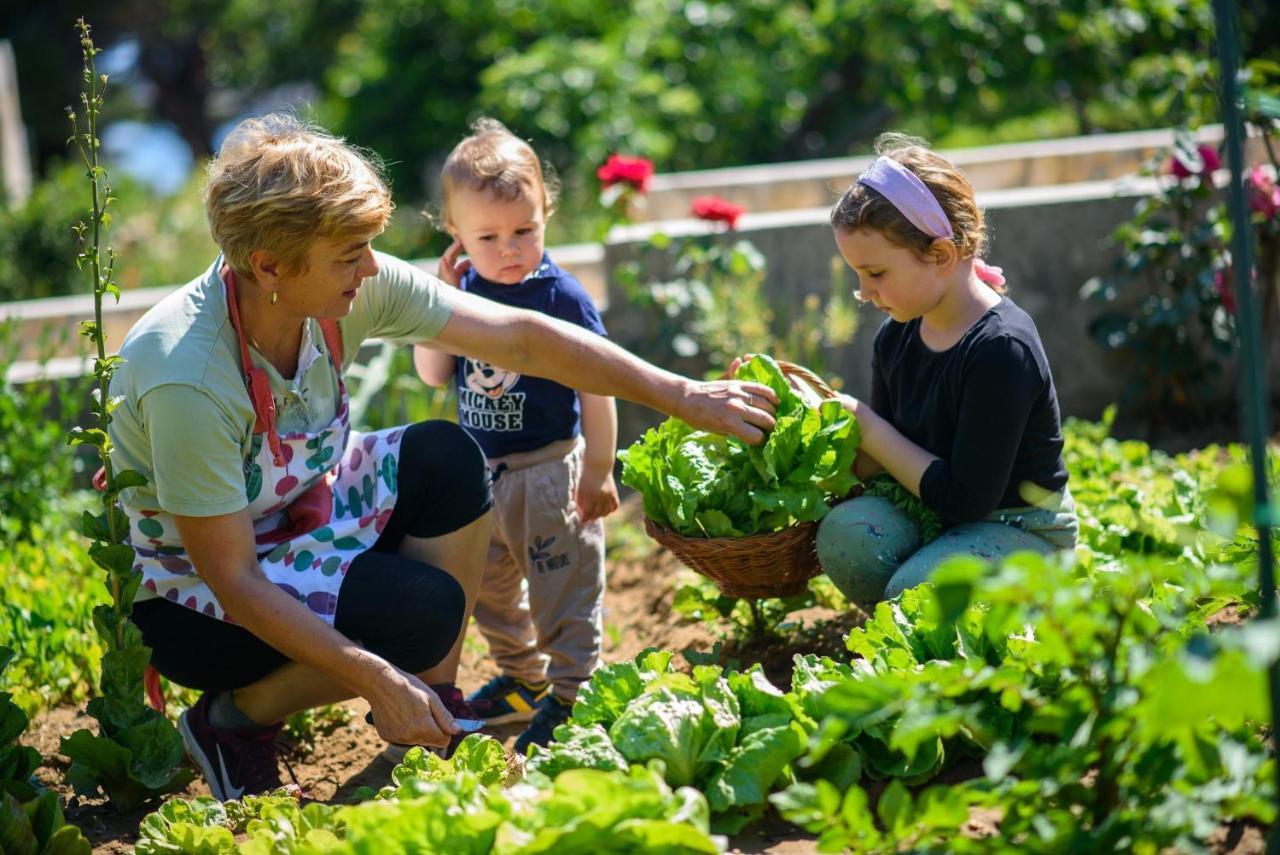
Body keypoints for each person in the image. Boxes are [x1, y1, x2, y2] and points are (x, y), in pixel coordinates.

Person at [109, 113, 780, 801]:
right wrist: (376, 675)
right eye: (350, 253)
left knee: (448, 455)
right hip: (199, 597)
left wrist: (682, 394)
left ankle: (433, 703)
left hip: (297, 514)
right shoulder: (187, 374)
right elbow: (234, 578)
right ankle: (233, 720)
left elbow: (519, 337)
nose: (371, 266)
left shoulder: (341, 288)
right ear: (270, 266)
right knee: (419, 616)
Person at [414, 119, 616, 753]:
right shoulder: (464, 291)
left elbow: (599, 385)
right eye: (488, 237)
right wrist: (440, 299)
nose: (509, 249)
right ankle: (524, 679)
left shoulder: (561, 298)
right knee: (489, 591)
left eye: (524, 231)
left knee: (564, 584)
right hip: (483, 478)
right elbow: (431, 372)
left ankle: (573, 694)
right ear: (456, 236)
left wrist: (600, 469)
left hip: (550, 471)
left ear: (546, 212)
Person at [810, 133, 1078, 607]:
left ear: (940, 255)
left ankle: (1016, 603)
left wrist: (866, 424)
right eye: (857, 274)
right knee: (845, 536)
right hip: (934, 516)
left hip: (1019, 529)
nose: (865, 292)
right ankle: (912, 619)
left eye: (875, 273)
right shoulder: (896, 335)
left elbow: (967, 499)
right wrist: (809, 425)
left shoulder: (1001, 349)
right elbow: (885, 464)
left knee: (918, 595)